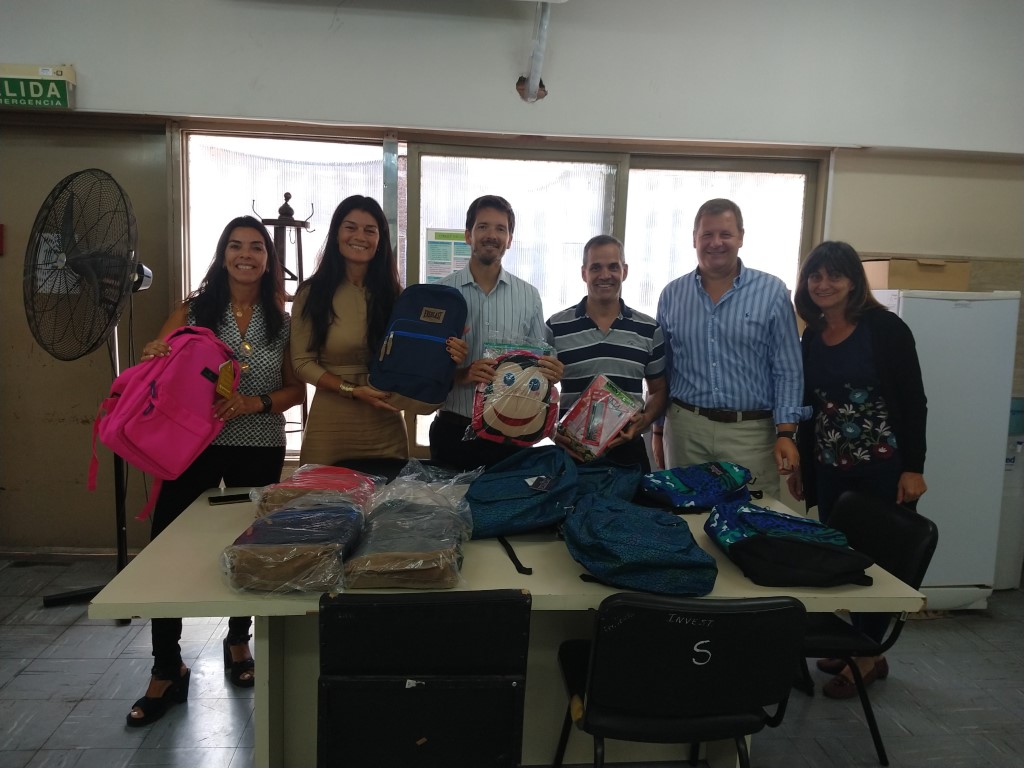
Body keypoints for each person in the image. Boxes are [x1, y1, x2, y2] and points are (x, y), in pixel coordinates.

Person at [127, 216, 305, 727]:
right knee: (169, 543)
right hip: (191, 446)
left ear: (268, 260)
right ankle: (166, 666)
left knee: (249, 544)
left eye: (256, 247)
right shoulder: (193, 309)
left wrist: (254, 403)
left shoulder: (282, 322)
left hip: (259, 444)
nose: (245, 255)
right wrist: (154, 353)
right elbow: (157, 369)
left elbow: (296, 391)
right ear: (223, 254)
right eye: (236, 245)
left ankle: (238, 640)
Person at [787, 240, 927, 699]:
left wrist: (914, 467)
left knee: (880, 559)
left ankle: (868, 655)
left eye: (834, 275)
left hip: (882, 467)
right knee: (844, 558)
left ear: (853, 282)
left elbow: (914, 402)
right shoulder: (812, 335)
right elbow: (809, 406)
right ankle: (859, 643)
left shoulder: (885, 330)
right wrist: (803, 463)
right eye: (815, 276)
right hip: (830, 468)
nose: (823, 284)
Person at [291, 195, 467, 472]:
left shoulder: (397, 297)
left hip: (386, 423)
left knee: (387, 498)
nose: (360, 236)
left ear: (380, 240)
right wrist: (351, 390)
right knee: (321, 497)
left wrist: (449, 353)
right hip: (330, 424)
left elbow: (415, 358)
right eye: (350, 227)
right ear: (336, 234)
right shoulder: (312, 294)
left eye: (370, 230)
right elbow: (301, 363)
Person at [655, 198, 808, 497]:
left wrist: (786, 432)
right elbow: (663, 369)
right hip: (687, 431)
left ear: (741, 237)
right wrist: (658, 429)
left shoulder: (772, 292)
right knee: (686, 514)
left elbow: (788, 369)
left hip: (751, 435)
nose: (716, 243)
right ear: (694, 239)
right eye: (707, 235)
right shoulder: (672, 295)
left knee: (753, 515)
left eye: (725, 234)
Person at [429, 194, 563, 470]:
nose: (492, 235)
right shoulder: (440, 294)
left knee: (506, 500)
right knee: (449, 500)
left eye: (500, 228)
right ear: (468, 235)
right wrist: (462, 375)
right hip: (453, 432)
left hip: (512, 436)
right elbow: (426, 369)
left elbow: (537, 364)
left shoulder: (529, 296)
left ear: (510, 239)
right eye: (483, 226)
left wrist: (550, 372)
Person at [546, 235, 667, 472]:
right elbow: (539, 393)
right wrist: (551, 429)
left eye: (613, 267)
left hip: (629, 455)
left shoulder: (649, 329)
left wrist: (645, 419)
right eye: (596, 267)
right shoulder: (555, 328)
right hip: (572, 454)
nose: (605, 275)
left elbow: (659, 390)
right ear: (584, 273)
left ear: (625, 271)